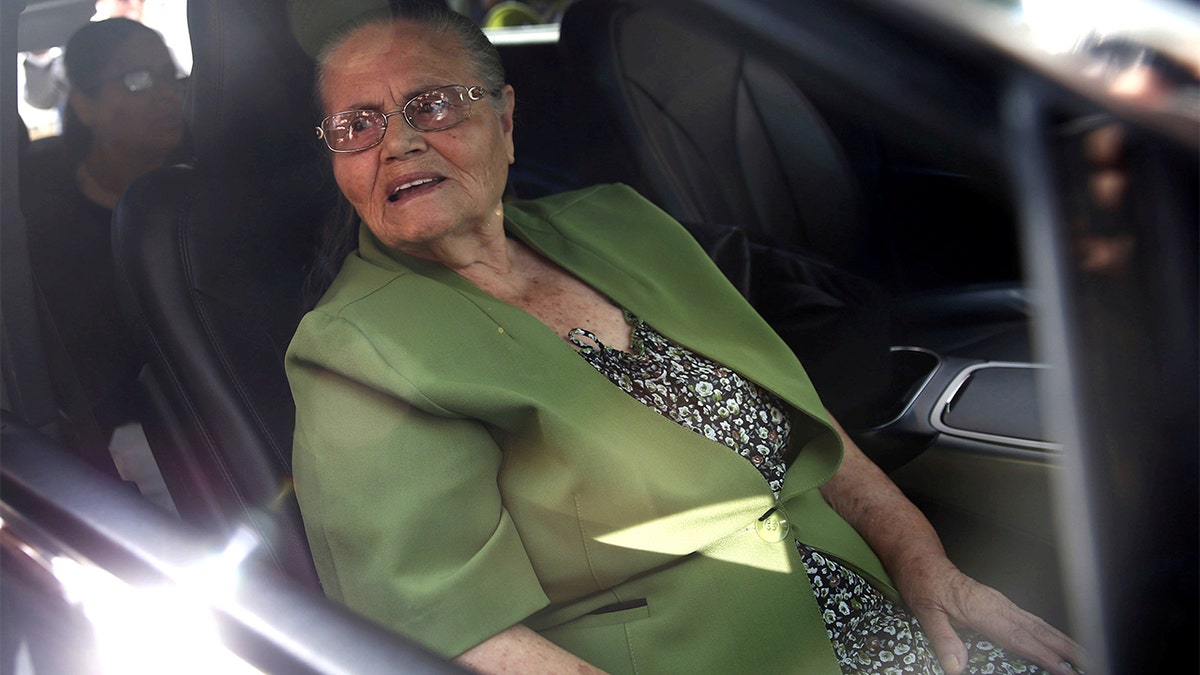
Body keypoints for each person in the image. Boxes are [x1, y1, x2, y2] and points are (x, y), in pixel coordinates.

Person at [285, 4, 1083, 674]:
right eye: (355, 126)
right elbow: (447, 628)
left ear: (505, 118)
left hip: (882, 616)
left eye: (432, 105)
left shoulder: (620, 221)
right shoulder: (352, 350)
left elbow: (795, 410)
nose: (397, 142)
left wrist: (927, 565)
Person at [20, 17, 187, 474]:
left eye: (170, 77)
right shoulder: (55, 234)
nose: (166, 93)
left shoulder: (209, 187)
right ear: (84, 106)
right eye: (137, 81)